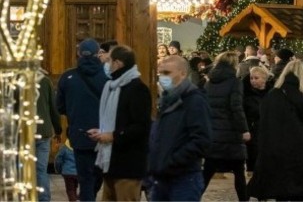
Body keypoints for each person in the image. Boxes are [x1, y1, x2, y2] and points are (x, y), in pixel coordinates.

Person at [248, 59, 303, 201]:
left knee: (280, 190)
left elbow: (263, 121)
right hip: (300, 150)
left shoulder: (271, 96)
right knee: (298, 191)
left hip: (275, 148)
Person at [88, 45, 152, 201]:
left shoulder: (137, 89)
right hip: (110, 163)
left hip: (128, 164)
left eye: (109, 60)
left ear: (118, 63)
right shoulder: (111, 87)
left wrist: (113, 136)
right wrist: (101, 132)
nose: (106, 64)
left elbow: (141, 126)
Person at [148, 55, 213, 202]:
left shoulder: (194, 100)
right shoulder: (168, 100)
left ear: (183, 73)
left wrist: (172, 161)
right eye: (160, 73)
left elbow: (202, 140)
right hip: (162, 178)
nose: (162, 78)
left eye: (167, 73)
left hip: (184, 178)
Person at [56, 38, 108, 202]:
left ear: (78, 54)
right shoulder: (108, 76)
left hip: (79, 134)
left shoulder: (67, 77)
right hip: (106, 134)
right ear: (97, 54)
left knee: (85, 179)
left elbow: (60, 107)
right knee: (101, 176)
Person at [202, 51, 251, 201]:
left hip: (213, 133)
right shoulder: (235, 82)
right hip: (231, 134)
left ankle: (192, 197)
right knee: (238, 171)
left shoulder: (209, 82)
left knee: (207, 171)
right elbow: (236, 107)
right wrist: (244, 129)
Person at [36, 68, 62, 202]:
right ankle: (44, 199)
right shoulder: (45, 81)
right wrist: (58, 130)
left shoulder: (14, 80)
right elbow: (53, 108)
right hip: (43, 131)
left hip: (22, 133)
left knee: (21, 170)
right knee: (41, 169)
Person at [242, 65, 272, 174]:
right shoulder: (247, 94)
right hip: (253, 129)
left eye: (256, 78)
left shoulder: (272, 93)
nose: (253, 81)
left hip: (268, 129)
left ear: (264, 78)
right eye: (251, 78)